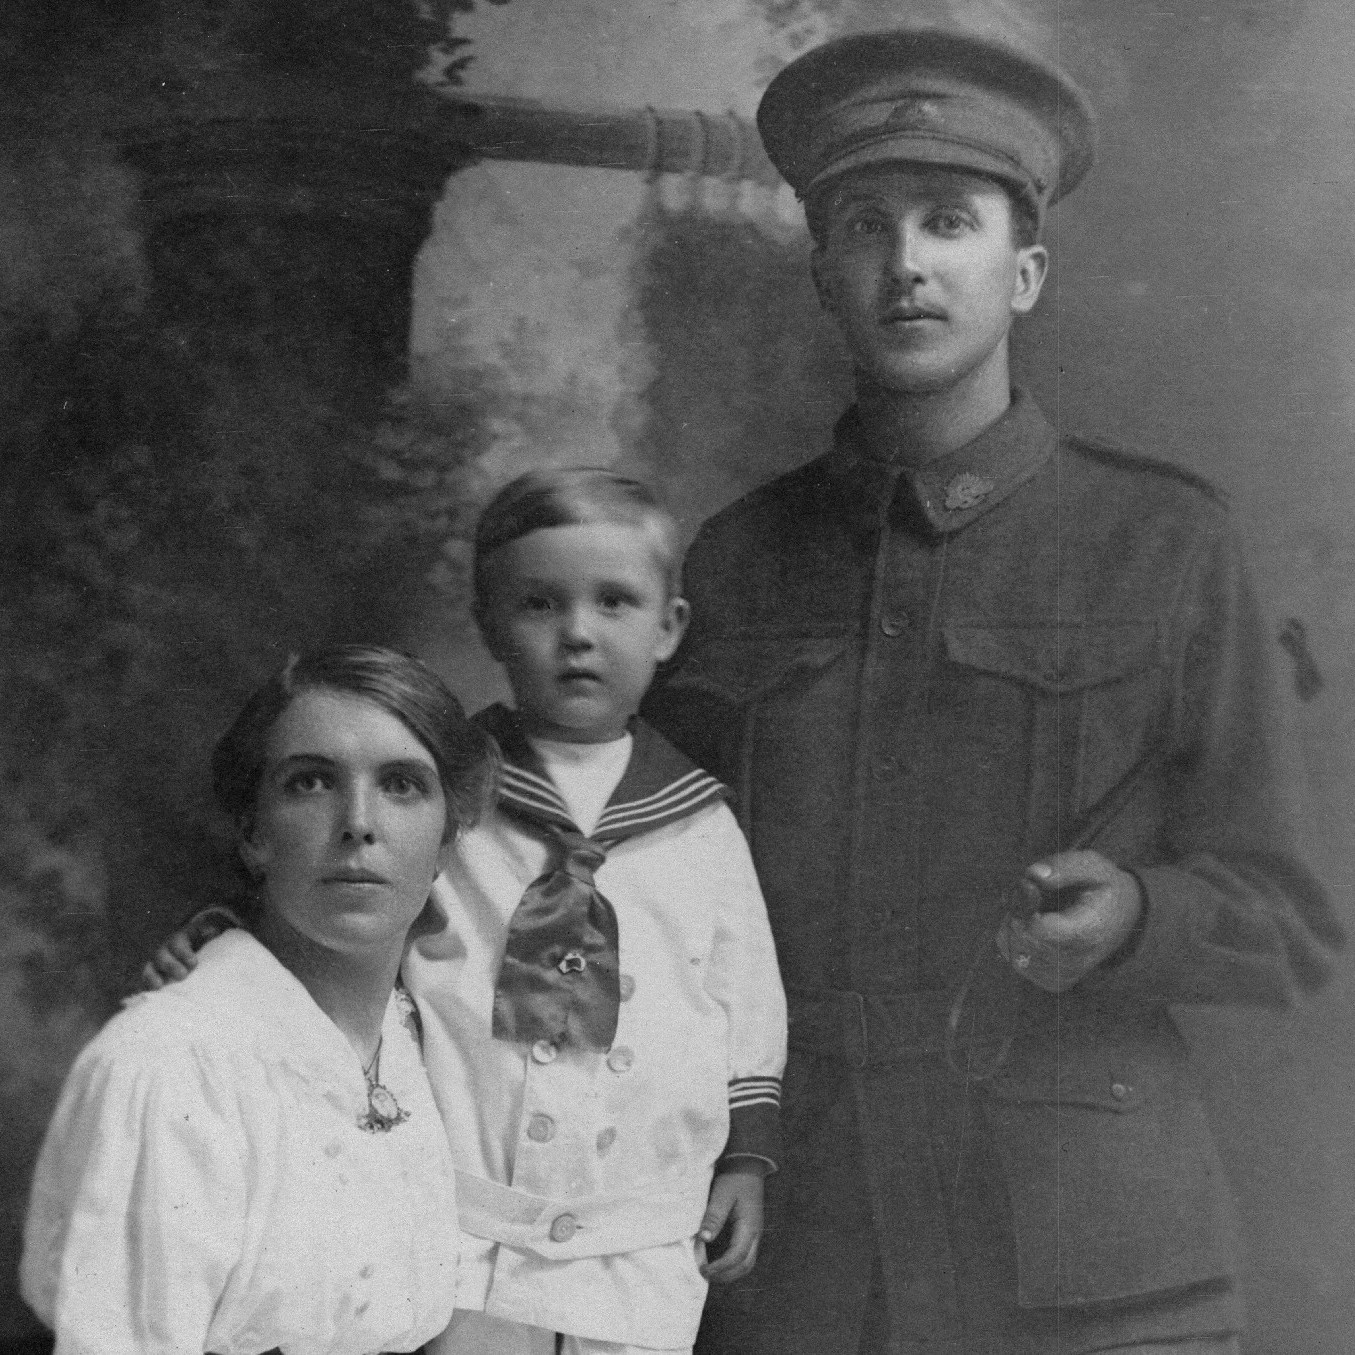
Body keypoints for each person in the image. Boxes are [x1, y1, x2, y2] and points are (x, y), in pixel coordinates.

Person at [640, 25, 1345, 1355]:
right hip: (803, 1255)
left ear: (1020, 273)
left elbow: (1290, 918)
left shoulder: (1165, 542)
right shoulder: (737, 559)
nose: (906, 263)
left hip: (1082, 1261)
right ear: (822, 273)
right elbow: (648, 879)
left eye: (947, 222)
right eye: (864, 225)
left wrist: (1136, 914)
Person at [145, 471, 788, 1355]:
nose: (577, 635)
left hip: (635, 1218)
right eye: (537, 604)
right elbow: (349, 903)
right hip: (461, 1204)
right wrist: (233, 935)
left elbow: (745, 996)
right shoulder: (443, 790)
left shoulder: (700, 821)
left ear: (668, 627)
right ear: (487, 622)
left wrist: (746, 1156)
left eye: (614, 603)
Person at [22, 644, 496, 1355]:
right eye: (311, 782)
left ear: (445, 840)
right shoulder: (170, 1065)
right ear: (252, 832)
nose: (358, 822)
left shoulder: (418, 1036)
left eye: (402, 785)